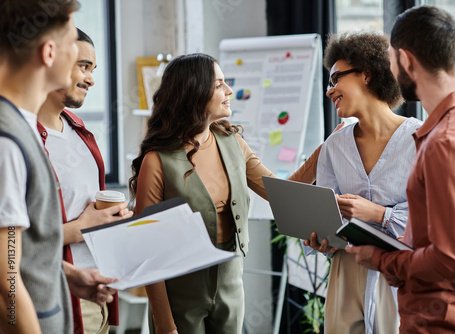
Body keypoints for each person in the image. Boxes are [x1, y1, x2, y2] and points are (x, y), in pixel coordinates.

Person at [128, 53, 318, 334]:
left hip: (231, 281)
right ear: (194, 92)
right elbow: (149, 251)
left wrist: (325, 151)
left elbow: (280, 193)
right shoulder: (157, 161)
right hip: (181, 288)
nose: (229, 91)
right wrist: (165, 324)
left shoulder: (233, 143)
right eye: (219, 85)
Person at [346, 5, 455, 333]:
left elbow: (454, 261)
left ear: (406, 60)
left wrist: (382, 260)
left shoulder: (447, 142)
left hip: (442, 324)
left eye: (390, 58)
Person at [0, 1, 117, 333]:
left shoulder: (17, 127)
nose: (89, 76)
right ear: (50, 53)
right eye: (72, 47)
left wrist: (68, 274)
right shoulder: (8, 139)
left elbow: (19, 254)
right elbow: (7, 279)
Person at [302, 32, 422, 334]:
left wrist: (380, 214)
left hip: (398, 274)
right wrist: (324, 241)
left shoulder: (421, 141)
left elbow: (435, 221)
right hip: (346, 272)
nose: (330, 91)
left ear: (366, 74)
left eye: (335, 79)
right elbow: (330, 217)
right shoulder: (334, 146)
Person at [37, 28, 132, 333]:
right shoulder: (19, 139)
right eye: (83, 66)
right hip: (57, 297)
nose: (91, 79)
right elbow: (11, 242)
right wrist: (79, 229)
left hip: (97, 289)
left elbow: (90, 208)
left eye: (92, 69)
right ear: (51, 58)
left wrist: (112, 219)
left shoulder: (78, 128)